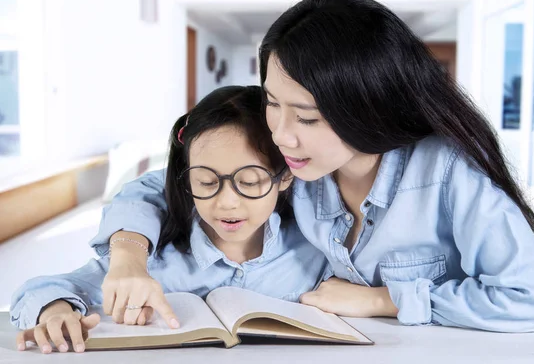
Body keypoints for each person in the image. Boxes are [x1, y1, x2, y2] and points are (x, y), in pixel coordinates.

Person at [90, 0, 534, 333]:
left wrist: (381, 301)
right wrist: (128, 257)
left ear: (368, 105)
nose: (281, 134)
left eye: (308, 117)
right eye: (273, 102)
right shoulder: (299, 163)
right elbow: (167, 183)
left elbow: (528, 300)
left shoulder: (448, 173)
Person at [10, 86, 327, 354]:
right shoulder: (156, 261)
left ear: (284, 177)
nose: (227, 202)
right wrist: (55, 311)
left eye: (250, 181)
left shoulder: (314, 250)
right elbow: (40, 289)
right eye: (206, 181)